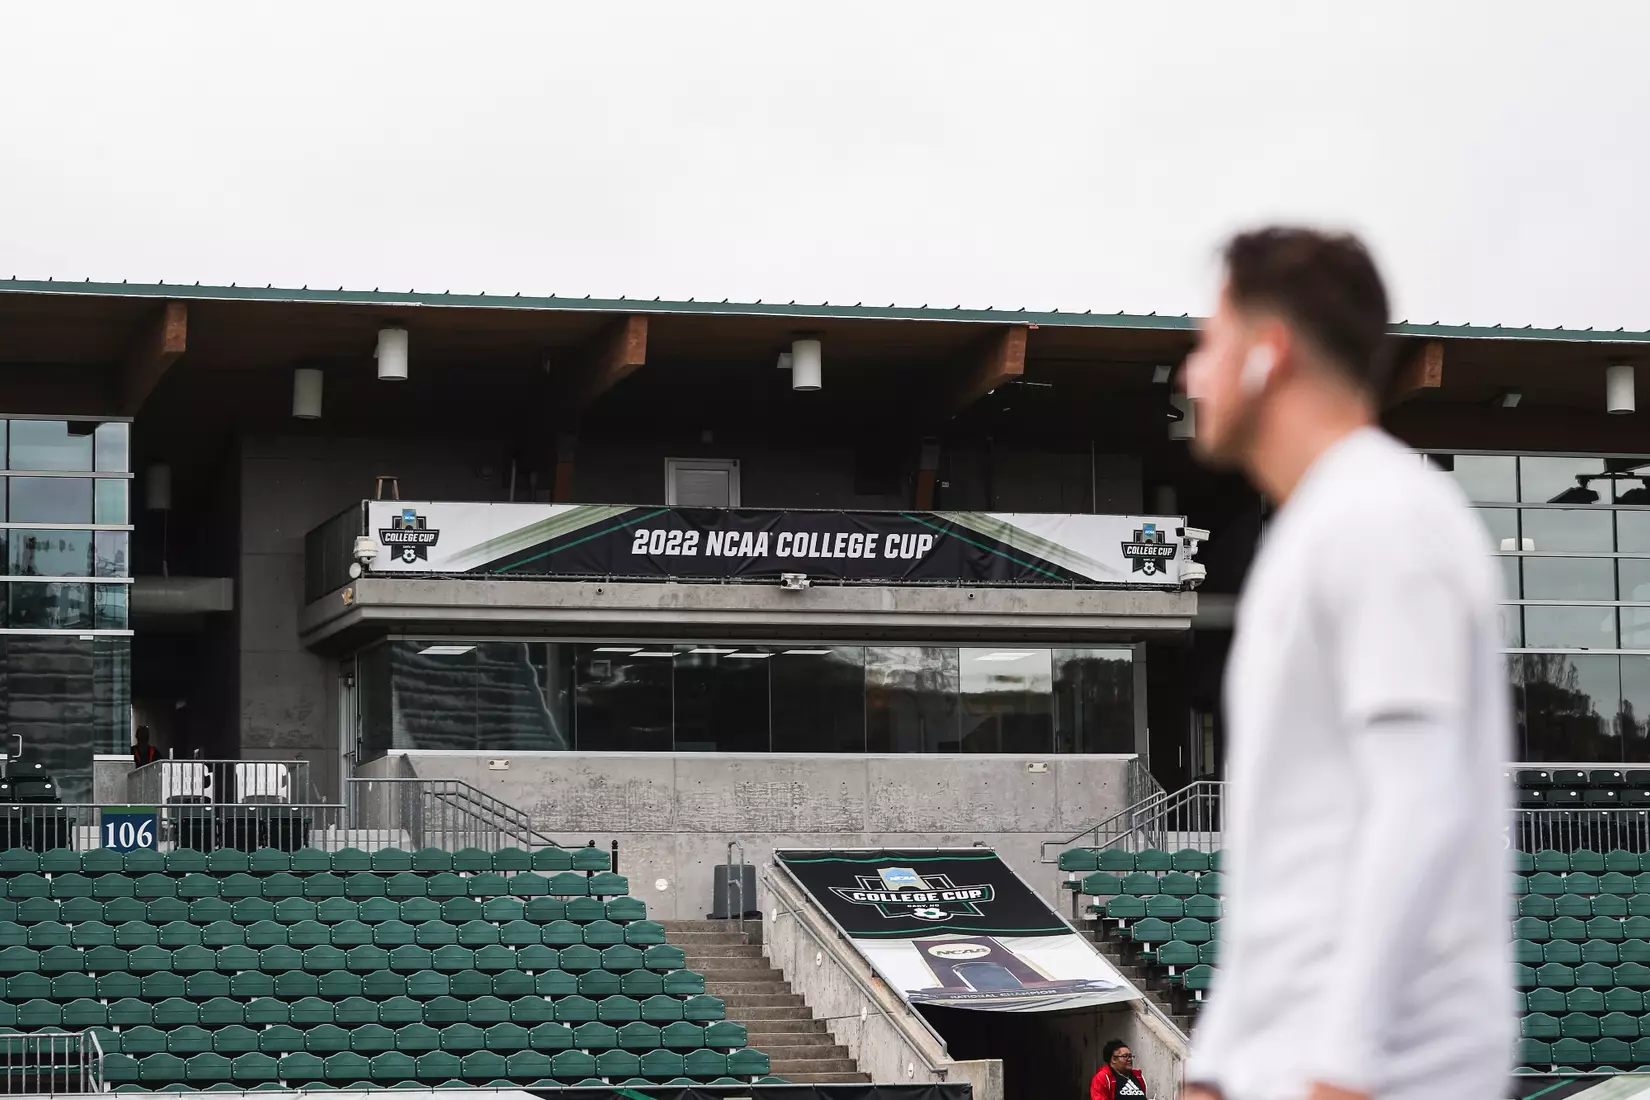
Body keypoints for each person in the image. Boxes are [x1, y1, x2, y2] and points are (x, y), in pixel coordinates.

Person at [1178, 228, 1513, 1100]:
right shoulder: (1312, 530)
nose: (1191, 375)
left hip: (1389, 1075)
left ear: (1269, 355)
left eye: (1210, 343)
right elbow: (1281, 856)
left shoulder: (1384, 518)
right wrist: (1214, 1068)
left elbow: (1419, 801)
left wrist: (1345, 1069)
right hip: (1290, 1066)